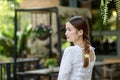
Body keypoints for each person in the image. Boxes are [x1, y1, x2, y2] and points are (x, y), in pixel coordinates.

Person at [57, 16, 96, 80]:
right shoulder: (91, 51)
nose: (66, 33)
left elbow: (62, 77)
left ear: (80, 32)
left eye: (69, 30)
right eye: (66, 30)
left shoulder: (71, 51)